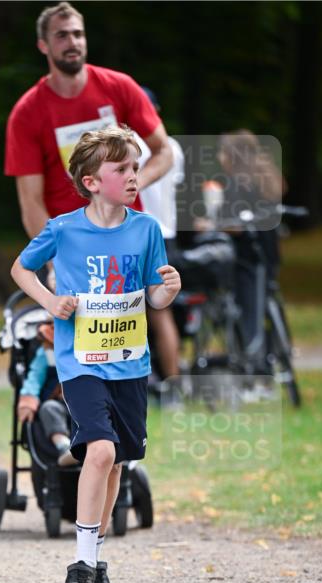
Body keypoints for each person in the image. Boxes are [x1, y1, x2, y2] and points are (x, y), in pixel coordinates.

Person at [11, 125, 181, 583]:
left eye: (135, 167)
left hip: (131, 363)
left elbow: (154, 294)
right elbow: (21, 268)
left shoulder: (146, 229)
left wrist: (167, 291)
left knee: (116, 462)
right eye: (121, 169)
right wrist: (51, 302)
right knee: (100, 451)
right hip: (81, 362)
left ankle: (97, 561)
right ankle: (81, 565)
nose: (133, 176)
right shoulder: (64, 229)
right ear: (91, 181)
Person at [5, 2, 173, 244]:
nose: (72, 42)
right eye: (62, 36)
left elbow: (164, 151)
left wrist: (131, 184)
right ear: (43, 45)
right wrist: (56, 257)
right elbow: (31, 202)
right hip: (71, 242)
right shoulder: (27, 113)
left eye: (78, 34)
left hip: (128, 237)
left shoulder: (120, 87)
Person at [214, 130, 286, 374]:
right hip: (268, 252)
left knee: (249, 312)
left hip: (247, 257)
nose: (219, 157)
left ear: (232, 155)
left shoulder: (239, 183)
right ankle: (269, 358)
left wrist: (212, 225)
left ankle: (255, 366)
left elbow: (236, 224)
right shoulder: (263, 176)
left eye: (222, 152)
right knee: (262, 306)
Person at [137, 87, 184, 386]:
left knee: (139, 311)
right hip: (168, 234)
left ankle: (155, 379)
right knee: (161, 311)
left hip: (140, 234)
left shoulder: (130, 145)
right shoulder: (173, 147)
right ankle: (172, 381)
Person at [16, 320, 78, 467]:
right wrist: (28, 400)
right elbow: (34, 377)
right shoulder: (47, 349)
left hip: (84, 402)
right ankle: (64, 446)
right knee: (49, 408)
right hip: (58, 403)